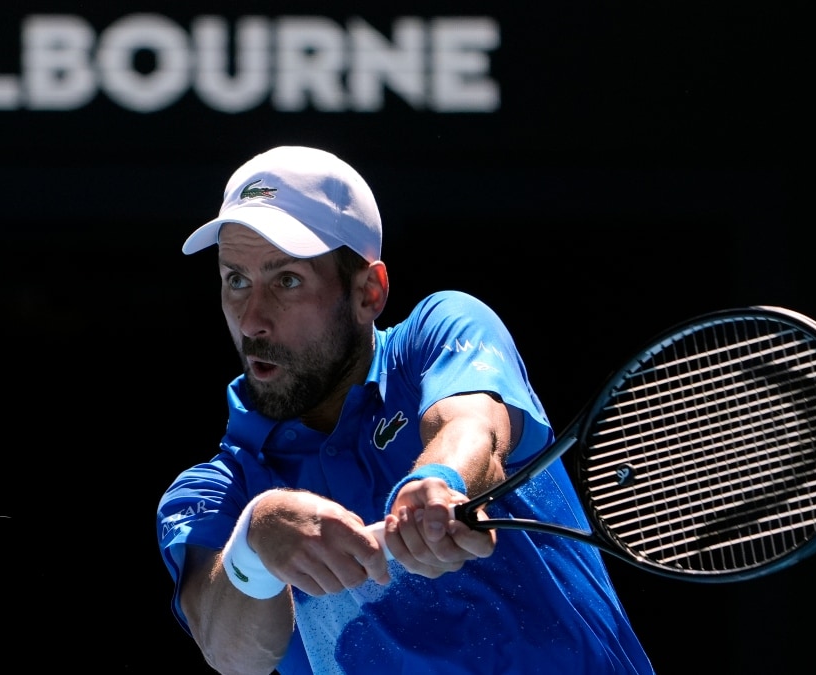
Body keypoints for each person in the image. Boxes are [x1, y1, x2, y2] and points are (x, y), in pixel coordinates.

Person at [155, 145, 654, 675]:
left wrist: (441, 482)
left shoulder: (441, 333)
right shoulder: (215, 493)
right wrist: (257, 539)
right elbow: (228, 651)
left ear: (369, 292)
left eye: (287, 280)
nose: (252, 320)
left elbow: (472, 425)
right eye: (236, 280)